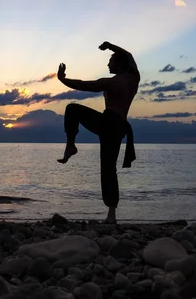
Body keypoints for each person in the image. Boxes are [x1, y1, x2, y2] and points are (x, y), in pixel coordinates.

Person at [56, 41, 140, 224]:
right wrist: (111, 46)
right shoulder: (134, 80)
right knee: (109, 169)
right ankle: (112, 214)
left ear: (118, 63)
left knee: (72, 109)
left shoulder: (112, 82)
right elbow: (130, 57)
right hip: (119, 127)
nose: (108, 64)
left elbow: (85, 85)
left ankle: (70, 145)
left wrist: (63, 80)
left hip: (108, 122)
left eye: (110, 60)